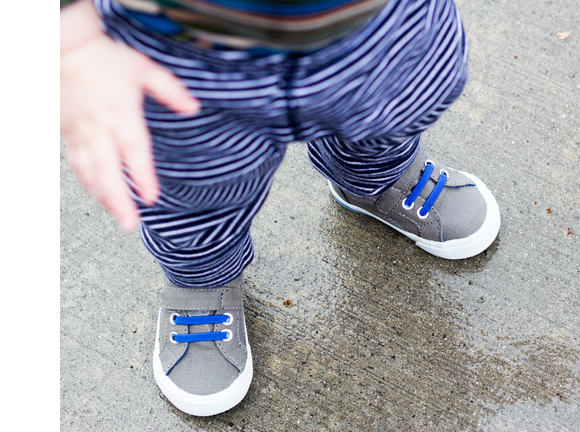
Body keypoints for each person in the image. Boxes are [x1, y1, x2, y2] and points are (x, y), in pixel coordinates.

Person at [60, 0, 500, 416]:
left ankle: (372, 180)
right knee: (191, 184)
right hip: (184, 47)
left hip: (375, 24)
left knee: (399, 99)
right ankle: (201, 276)